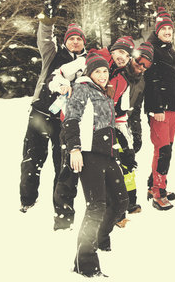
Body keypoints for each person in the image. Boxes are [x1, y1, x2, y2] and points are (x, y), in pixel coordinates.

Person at [50, 37, 134, 230]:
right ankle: (63, 221)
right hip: (74, 126)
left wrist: (127, 143)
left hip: (99, 135)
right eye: (120, 52)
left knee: (103, 177)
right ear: (113, 50)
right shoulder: (88, 59)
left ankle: (108, 219)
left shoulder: (122, 80)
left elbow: (121, 115)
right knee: (68, 175)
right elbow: (57, 75)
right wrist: (62, 86)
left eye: (127, 55)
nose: (123, 57)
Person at [61, 52, 129, 277]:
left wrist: (123, 149)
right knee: (96, 207)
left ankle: (99, 238)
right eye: (97, 71)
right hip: (88, 154)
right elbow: (71, 119)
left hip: (107, 154)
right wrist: (74, 149)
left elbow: (110, 125)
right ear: (90, 73)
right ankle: (85, 264)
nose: (102, 74)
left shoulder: (105, 92)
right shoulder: (82, 89)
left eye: (104, 71)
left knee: (120, 201)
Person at [19, 0, 87, 213]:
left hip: (64, 120)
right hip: (40, 114)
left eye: (79, 39)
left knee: (63, 164)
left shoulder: (87, 63)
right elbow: (45, 39)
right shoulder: (53, 55)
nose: (75, 42)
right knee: (32, 161)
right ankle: (28, 200)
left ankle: (61, 206)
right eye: (72, 38)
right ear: (66, 41)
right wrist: (47, 20)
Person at [144, 7, 175, 210]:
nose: (168, 32)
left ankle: (155, 185)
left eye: (170, 28)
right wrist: (156, 107)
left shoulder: (170, 51)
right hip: (159, 110)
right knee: (163, 151)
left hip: (171, 108)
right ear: (157, 30)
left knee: (164, 149)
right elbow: (151, 82)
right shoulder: (151, 49)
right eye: (164, 29)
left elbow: (173, 81)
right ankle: (158, 195)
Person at [115, 41, 155, 227]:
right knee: (117, 164)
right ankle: (117, 209)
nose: (140, 67)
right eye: (139, 62)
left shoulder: (142, 81)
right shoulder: (118, 72)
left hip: (127, 124)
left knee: (129, 163)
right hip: (111, 124)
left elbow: (137, 109)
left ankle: (131, 201)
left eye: (145, 65)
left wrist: (137, 133)